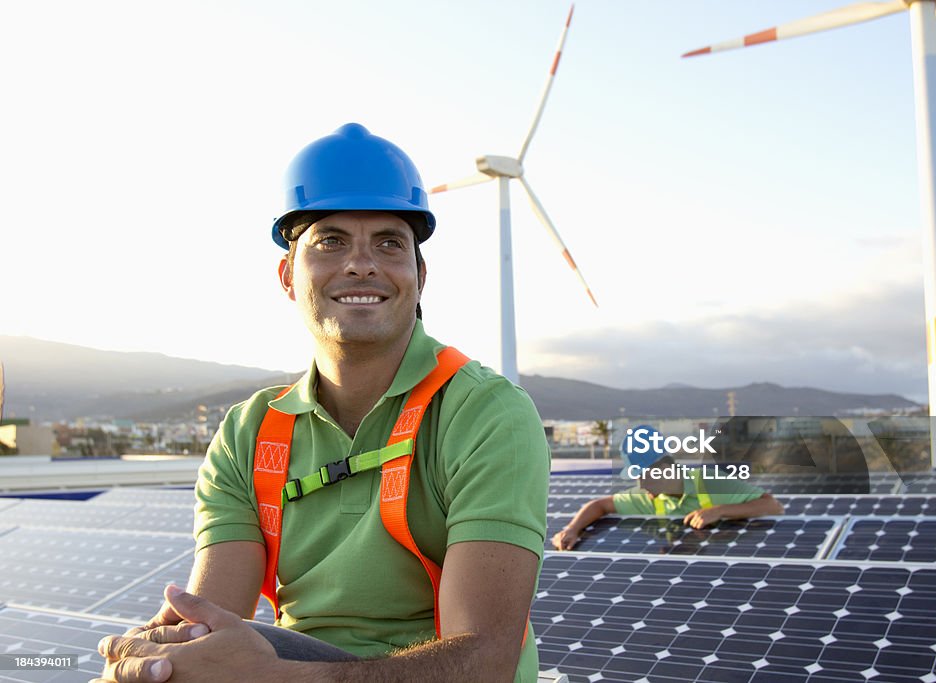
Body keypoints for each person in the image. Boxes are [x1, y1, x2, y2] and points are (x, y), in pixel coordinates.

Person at [93, 123, 550, 683]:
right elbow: (207, 622)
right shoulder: (249, 432)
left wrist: (274, 678)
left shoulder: (486, 414)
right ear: (288, 275)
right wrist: (164, 657)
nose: (362, 263)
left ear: (419, 275)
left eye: (389, 242)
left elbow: (482, 663)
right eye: (330, 241)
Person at [551, 425, 782, 551]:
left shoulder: (709, 481)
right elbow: (599, 505)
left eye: (644, 475)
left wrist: (719, 510)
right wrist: (572, 529)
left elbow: (772, 506)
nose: (640, 484)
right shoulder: (647, 496)